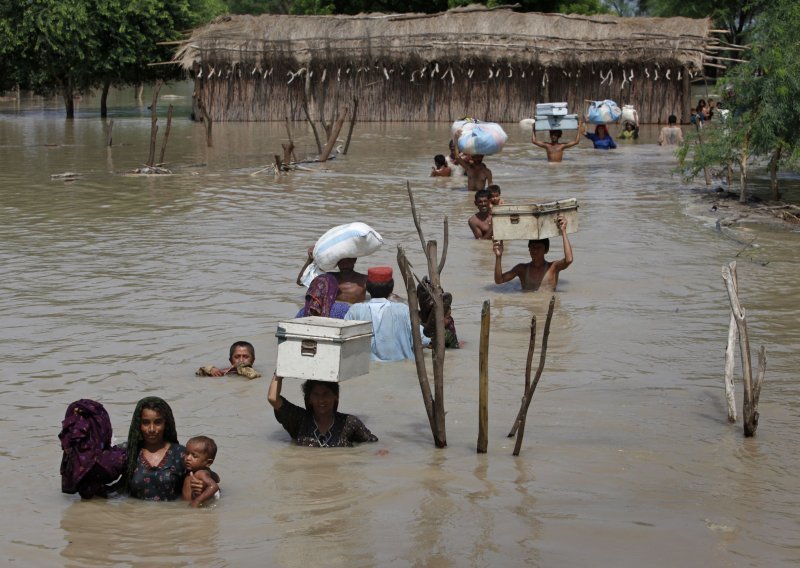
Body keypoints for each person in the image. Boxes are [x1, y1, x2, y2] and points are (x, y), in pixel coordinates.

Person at [268, 374, 378, 447]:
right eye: (316, 395)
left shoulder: (349, 423)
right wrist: (279, 373)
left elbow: (372, 443)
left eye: (326, 394)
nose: (321, 400)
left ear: (335, 397)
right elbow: (273, 398)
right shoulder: (299, 420)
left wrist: (382, 452)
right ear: (309, 399)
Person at [344, 266, 429, 361]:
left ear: (367, 287)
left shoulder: (355, 310)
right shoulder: (403, 310)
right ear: (391, 288)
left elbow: (344, 340)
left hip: (367, 367)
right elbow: (423, 340)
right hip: (400, 367)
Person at [120, 397, 191, 501]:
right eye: (145, 422)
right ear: (138, 425)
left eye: (158, 422)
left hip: (170, 516)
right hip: (135, 516)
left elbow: (207, 477)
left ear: (166, 424)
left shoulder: (181, 454)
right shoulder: (127, 452)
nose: (152, 429)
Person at [493, 215, 573, 291]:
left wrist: (563, 231)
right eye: (533, 247)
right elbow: (499, 280)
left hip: (549, 305)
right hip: (528, 304)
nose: (535, 251)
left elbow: (569, 259)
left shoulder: (553, 267)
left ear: (546, 250)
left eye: (539, 248)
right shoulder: (521, 269)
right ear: (529, 249)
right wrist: (498, 256)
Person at [296, 248, 367, 304]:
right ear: (336, 263)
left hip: (355, 314)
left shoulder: (364, 279)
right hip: (336, 312)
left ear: (354, 260)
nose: (345, 265)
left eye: (348, 262)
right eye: (341, 262)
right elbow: (301, 282)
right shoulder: (330, 277)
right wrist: (310, 260)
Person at [182, 435, 220, 508]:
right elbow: (217, 478)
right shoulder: (193, 470)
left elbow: (214, 486)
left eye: (194, 456)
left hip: (192, 507)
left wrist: (197, 501)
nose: (188, 458)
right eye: (187, 453)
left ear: (208, 463)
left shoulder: (200, 473)